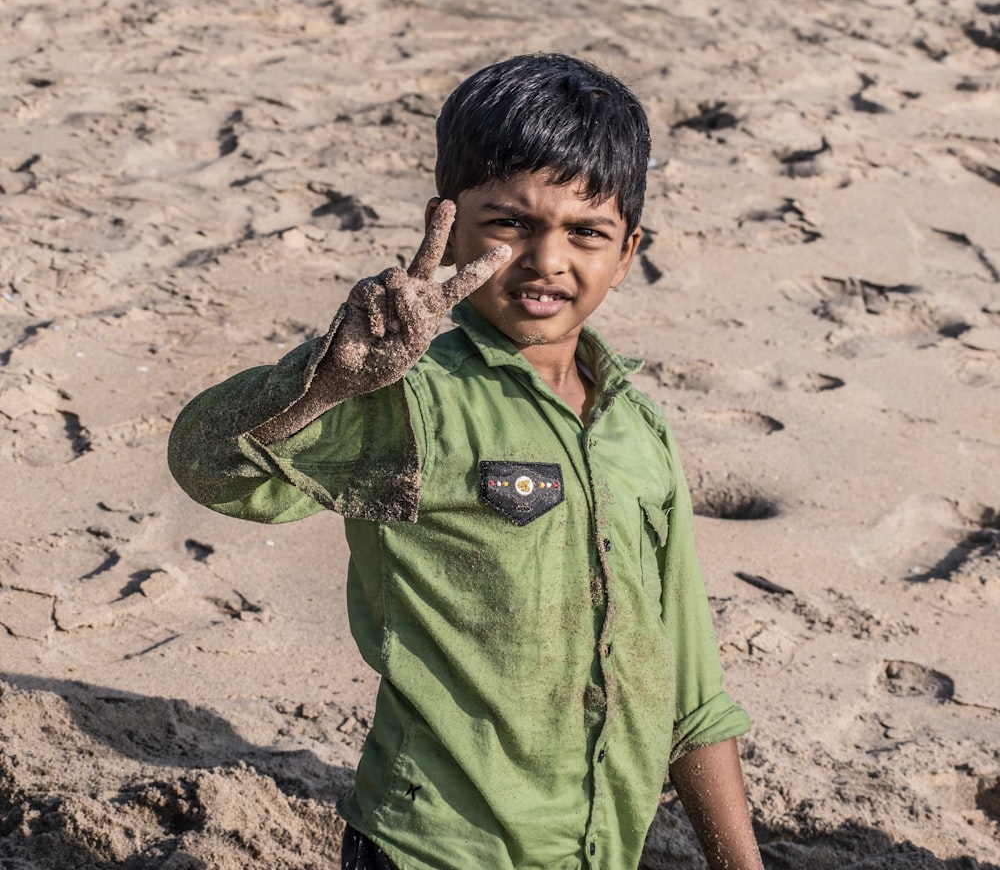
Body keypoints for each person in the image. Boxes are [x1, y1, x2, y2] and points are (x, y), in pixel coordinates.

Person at [168, 53, 764, 870]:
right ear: (446, 225)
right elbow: (210, 464)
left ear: (627, 252)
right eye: (510, 223)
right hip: (432, 849)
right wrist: (327, 382)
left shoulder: (640, 432)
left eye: (585, 232)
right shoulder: (412, 398)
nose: (547, 260)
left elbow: (692, 694)